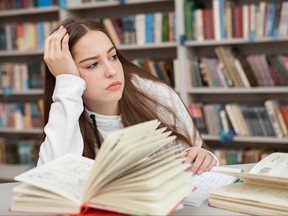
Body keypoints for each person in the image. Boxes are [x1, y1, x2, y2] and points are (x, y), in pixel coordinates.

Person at [34, 17, 218, 175]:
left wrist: (204, 157)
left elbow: (197, 161)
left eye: (113, 56)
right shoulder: (66, 109)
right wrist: (67, 85)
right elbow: (49, 178)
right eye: (92, 65)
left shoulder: (157, 95)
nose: (111, 71)